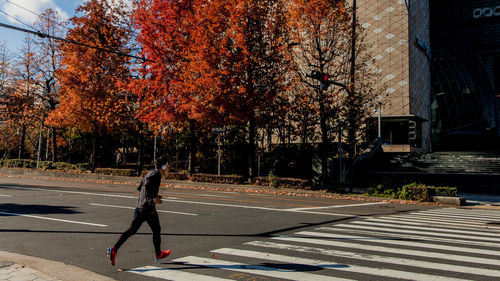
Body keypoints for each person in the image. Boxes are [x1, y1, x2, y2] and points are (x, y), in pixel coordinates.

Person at [107, 156, 170, 266]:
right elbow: (147, 186)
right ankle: (158, 254)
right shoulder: (157, 174)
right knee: (155, 229)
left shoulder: (148, 173)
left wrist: (154, 195)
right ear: (164, 166)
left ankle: (114, 250)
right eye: (167, 166)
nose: (168, 168)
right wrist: (155, 198)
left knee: (132, 230)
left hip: (140, 206)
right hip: (148, 208)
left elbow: (141, 189)